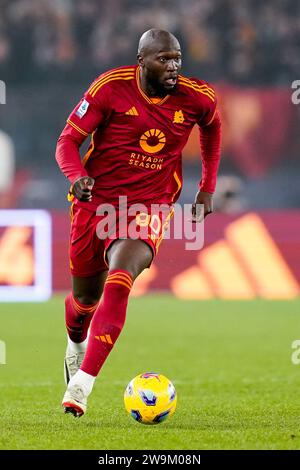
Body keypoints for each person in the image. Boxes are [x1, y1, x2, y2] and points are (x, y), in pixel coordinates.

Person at [55, 28, 221, 417]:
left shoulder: (197, 97)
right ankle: (76, 344)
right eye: (164, 59)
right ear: (142, 60)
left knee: (122, 275)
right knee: (84, 302)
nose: (174, 66)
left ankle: (82, 385)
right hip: (96, 204)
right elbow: (66, 141)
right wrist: (76, 176)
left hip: (151, 204)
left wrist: (206, 188)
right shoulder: (111, 88)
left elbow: (213, 128)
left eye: (178, 58)